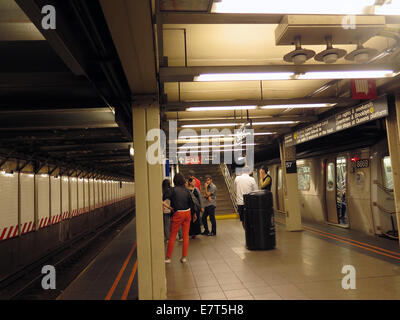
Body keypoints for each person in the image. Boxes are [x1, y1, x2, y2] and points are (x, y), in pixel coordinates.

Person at [163, 173, 196, 263]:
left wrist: (168, 206)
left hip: (178, 214)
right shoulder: (186, 190)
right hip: (187, 213)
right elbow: (191, 203)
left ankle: (168, 258)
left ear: (174, 181)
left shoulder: (172, 190)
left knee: (173, 236)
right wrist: (194, 214)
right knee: (185, 236)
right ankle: (184, 257)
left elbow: (163, 197)